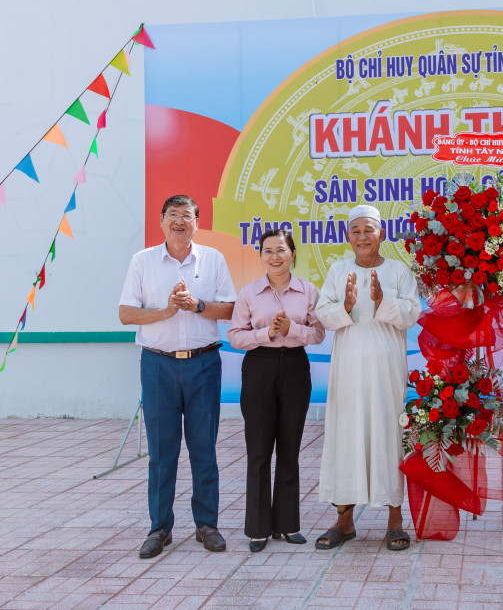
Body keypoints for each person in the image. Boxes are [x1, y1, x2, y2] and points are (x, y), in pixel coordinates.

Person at [119, 194, 236, 559]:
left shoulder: (213, 259)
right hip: (158, 366)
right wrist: (167, 311)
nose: (180, 221)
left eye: (187, 215)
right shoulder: (142, 261)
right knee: (161, 452)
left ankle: (207, 525)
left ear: (197, 223)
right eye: (173, 214)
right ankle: (160, 528)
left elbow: (230, 309)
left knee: (204, 449)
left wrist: (196, 306)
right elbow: (125, 313)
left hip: (203, 364)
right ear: (162, 221)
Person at [314, 204, 420, 551]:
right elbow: (323, 314)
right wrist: (345, 305)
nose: (362, 237)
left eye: (368, 230)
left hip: (387, 372)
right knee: (347, 437)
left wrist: (382, 300)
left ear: (381, 235)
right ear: (348, 237)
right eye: (356, 231)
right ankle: (344, 522)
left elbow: (411, 315)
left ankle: (395, 521)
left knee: (389, 438)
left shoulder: (399, 271)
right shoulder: (338, 270)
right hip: (348, 371)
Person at [227, 229, 326, 552]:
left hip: (295, 368)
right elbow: (235, 336)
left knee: (289, 448)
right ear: (260, 256)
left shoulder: (308, 291)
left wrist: (291, 329)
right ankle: (258, 529)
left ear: (292, 254)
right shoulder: (249, 293)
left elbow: (318, 333)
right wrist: (266, 333)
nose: (274, 256)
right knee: (258, 450)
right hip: (259, 367)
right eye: (268, 251)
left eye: (281, 250)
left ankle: (288, 524)